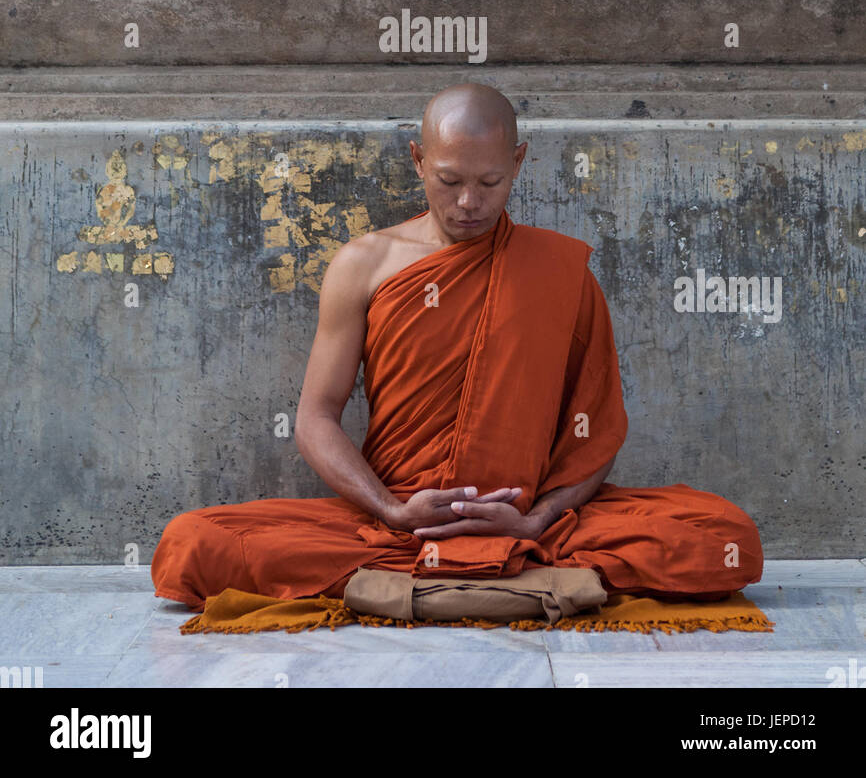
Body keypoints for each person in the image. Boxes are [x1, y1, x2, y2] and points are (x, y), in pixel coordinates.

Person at [151, 83, 762, 609]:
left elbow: (594, 434)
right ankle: (520, 585)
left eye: (490, 181)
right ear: (418, 160)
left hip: (530, 523)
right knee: (193, 545)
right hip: (397, 522)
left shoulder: (560, 271)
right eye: (449, 180)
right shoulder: (365, 264)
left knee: (724, 535)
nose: (469, 203)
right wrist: (391, 510)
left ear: (519, 162)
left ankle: (419, 587)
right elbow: (314, 419)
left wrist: (536, 518)